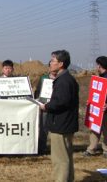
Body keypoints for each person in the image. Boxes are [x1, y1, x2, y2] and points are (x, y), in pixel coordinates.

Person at [39, 50, 79, 182]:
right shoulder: (66, 79)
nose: (50, 63)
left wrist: (46, 106)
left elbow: (60, 102)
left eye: (53, 61)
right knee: (66, 157)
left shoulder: (63, 81)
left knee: (60, 160)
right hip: (65, 124)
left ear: (61, 63)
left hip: (60, 125)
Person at [83, 56, 107, 158]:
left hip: (105, 110)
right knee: (94, 129)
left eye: (97, 64)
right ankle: (91, 149)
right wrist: (91, 101)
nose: (96, 66)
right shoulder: (99, 77)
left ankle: (106, 150)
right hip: (97, 109)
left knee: (106, 130)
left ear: (100, 65)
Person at [34, 61, 58, 155]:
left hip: (57, 107)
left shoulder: (60, 78)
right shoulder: (43, 78)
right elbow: (38, 91)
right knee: (43, 128)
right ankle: (41, 148)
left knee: (56, 130)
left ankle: (56, 149)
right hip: (45, 107)